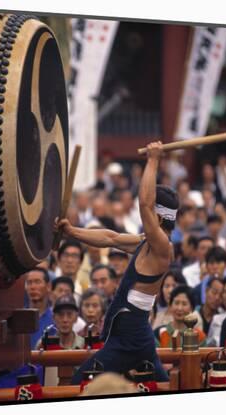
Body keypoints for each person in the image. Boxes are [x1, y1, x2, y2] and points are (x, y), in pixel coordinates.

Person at [57, 141, 176, 384]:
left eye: (152, 211)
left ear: (159, 216)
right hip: (132, 336)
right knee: (161, 387)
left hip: (129, 340)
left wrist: (153, 159)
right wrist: (72, 231)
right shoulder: (146, 242)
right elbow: (110, 238)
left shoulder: (163, 248)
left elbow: (144, 203)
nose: (146, 212)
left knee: (80, 384)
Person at [25, 268, 55, 349]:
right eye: (29, 283)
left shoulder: (55, 319)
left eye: (37, 282)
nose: (32, 287)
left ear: (48, 286)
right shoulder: (20, 318)